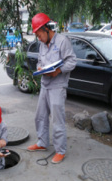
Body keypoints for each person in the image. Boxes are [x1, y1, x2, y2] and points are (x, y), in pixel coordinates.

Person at [27, 13, 76, 164]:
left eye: (39, 34)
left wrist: (58, 71)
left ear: (46, 29)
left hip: (57, 86)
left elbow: (72, 61)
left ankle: (60, 151)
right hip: (45, 85)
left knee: (57, 119)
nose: (38, 38)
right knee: (40, 116)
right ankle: (42, 142)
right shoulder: (42, 44)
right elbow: (40, 61)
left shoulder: (62, 41)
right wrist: (40, 68)